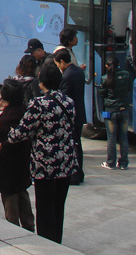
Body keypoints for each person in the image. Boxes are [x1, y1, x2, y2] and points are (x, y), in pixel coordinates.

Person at [8, 63, 77, 244]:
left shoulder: (38, 104)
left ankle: (47, 245)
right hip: (66, 162)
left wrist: (10, 133)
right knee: (58, 206)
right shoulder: (69, 102)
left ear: (41, 82)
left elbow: (21, 132)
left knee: (45, 207)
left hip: (45, 164)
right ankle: (57, 242)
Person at [0, 79, 34, 232]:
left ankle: (13, 228)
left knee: (11, 197)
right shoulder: (22, 110)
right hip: (19, 162)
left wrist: (2, 146)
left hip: (9, 163)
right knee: (21, 193)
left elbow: (15, 139)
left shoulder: (13, 115)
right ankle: (28, 225)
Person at [54, 49, 85, 185]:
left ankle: (74, 174)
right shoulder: (79, 71)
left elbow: (64, 98)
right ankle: (79, 173)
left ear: (62, 62)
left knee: (72, 145)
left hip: (71, 116)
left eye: (57, 64)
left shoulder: (67, 76)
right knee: (77, 144)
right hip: (80, 113)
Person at [99, 55, 131, 171]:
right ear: (119, 65)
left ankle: (111, 162)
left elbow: (102, 94)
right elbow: (129, 89)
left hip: (110, 111)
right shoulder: (126, 75)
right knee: (124, 137)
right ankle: (123, 163)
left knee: (111, 138)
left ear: (106, 66)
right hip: (124, 109)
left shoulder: (105, 78)